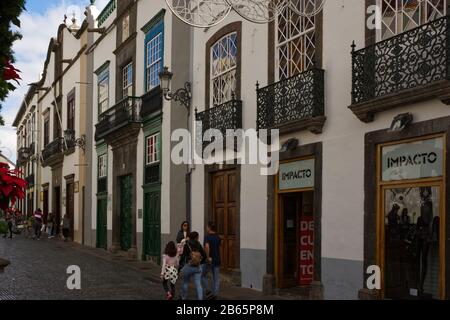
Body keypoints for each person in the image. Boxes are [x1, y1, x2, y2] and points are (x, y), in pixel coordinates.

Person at [180, 231, 206, 300]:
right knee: (198, 284)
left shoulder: (187, 245)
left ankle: (183, 297)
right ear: (196, 237)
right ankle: (200, 299)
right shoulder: (198, 244)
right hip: (197, 267)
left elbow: (183, 257)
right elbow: (204, 256)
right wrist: (200, 262)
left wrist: (181, 266)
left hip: (189, 266)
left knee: (185, 282)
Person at [202, 223, 221, 299]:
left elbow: (206, 246)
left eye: (207, 227)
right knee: (216, 278)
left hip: (210, 259)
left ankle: (207, 289)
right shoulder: (218, 237)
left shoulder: (207, 237)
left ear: (209, 228)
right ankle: (215, 294)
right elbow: (218, 247)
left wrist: (208, 256)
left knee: (203, 275)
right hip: (217, 258)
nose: (206, 228)